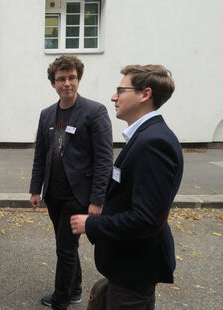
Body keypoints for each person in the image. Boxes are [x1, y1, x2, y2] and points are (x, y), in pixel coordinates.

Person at [71, 65, 183, 310]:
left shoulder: (154, 143)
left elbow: (147, 219)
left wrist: (91, 224)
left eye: (120, 91)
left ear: (145, 95)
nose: (114, 97)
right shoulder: (145, 136)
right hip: (128, 264)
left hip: (135, 267)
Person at [29, 55, 113, 310]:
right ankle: (75, 289)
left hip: (78, 195)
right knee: (66, 245)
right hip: (53, 194)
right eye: (61, 79)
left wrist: (98, 199)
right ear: (53, 83)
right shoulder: (47, 115)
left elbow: (104, 159)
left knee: (65, 249)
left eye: (71, 78)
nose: (67, 83)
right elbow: (40, 154)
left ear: (78, 79)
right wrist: (35, 189)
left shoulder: (94, 112)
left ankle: (61, 300)